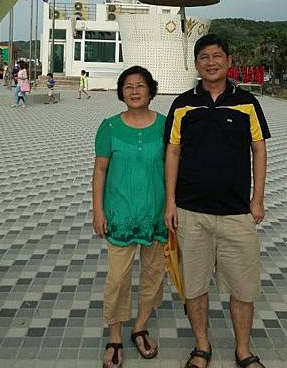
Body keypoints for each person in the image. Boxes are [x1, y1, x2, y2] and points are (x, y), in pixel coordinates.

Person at [165, 34, 270, 368]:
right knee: (194, 286)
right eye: (204, 57)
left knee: (243, 288)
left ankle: (243, 350)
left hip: (237, 213)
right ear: (196, 64)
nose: (211, 62)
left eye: (217, 56)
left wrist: (257, 199)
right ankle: (201, 347)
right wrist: (170, 202)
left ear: (228, 61)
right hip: (190, 212)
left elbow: (259, 149)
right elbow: (173, 151)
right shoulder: (182, 104)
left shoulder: (247, 102)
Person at [93, 66, 167, 368]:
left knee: (153, 275)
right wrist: (97, 210)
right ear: (121, 93)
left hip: (157, 215)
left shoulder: (166, 125)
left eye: (140, 85)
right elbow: (100, 170)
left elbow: (176, 168)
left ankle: (140, 327)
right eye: (128, 86)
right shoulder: (109, 127)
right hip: (119, 215)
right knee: (118, 278)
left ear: (151, 90)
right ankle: (114, 335)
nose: (134, 91)